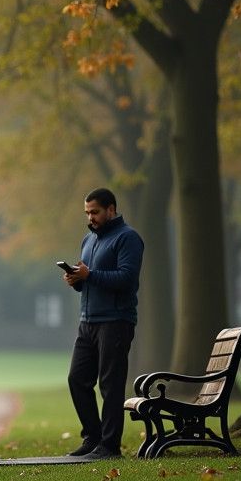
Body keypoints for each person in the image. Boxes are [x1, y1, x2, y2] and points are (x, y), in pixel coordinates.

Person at [62, 187, 144, 460]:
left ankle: (110, 446)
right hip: (88, 322)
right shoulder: (88, 240)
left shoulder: (128, 238)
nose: (90, 217)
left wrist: (90, 275)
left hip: (116, 321)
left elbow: (126, 279)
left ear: (111, 209)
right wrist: (77, 280)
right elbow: (89, 280)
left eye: (95, 212)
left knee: (110, 385)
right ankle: (93, 438)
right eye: (87, 213)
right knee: (77, 379)